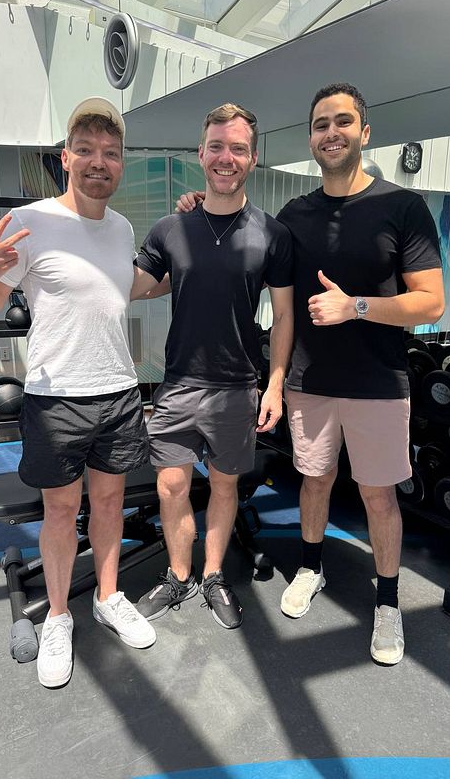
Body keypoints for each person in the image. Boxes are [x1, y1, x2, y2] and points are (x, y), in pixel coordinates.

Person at [176, 83, 444, 664]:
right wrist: (197, 207)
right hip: (309, 382)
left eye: (343, 122)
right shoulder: (294, 216)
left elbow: (431, 303)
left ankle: (390, 603)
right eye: (321, 124)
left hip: (378, 381)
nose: (332, 133)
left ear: (364, 133)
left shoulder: (404, 207)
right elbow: (269, 282)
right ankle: (312, 566)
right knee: (315, 482)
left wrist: (359, 307)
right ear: (311, 139)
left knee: (378, 497)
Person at [0, 97, 158, 689]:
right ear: (65, 157)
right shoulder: (31, 220)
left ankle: (107, 595)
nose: (99, 163)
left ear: (119, 163)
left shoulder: (123, 228)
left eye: (111, 154)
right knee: (59, 510)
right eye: (88, 152)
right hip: (56, 399)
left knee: (107, 506)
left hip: (120, 392)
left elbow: (123, 292)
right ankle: (59, 614)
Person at [130, 102, 294, 630]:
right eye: (217, 147)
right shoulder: (170, 228)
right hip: (178, 382)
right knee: (171, 487)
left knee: (225, 487)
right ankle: (179, 575)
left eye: (238, 149)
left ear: (253, 158)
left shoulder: (272, 234)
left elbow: (286, 316)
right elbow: (132, 287)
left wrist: (275, 386)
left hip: (238, 384)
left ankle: (214, 574)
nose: (227, 157)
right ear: (201, 154)